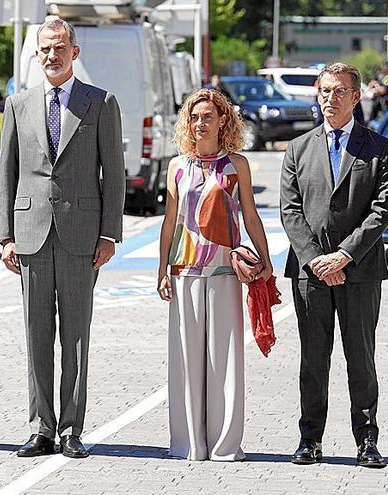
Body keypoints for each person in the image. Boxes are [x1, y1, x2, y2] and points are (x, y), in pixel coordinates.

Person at [0, 16, 124, 459]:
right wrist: (5, 236)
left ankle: (71, 429)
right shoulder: (18, 105)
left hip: (81, 236)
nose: (52, 55)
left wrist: (109, 233)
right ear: (37, 54)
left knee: (76, 337)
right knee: (36, 334)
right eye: (45, 49)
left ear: (75, 52)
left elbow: (114, 174)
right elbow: (6, 172)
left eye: (59, 48)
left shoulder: (100, 102)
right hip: (30, 235)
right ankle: (41, 427)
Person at [281, 63, 388, 469]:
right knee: (314, 359)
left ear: (355, 96)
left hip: (359, 271)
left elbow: (381, 211)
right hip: (310, 274)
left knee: (360, 357)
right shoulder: (297, 148)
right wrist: (316, 260)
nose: (331, 98)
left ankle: (367, 441)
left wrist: (344, 255)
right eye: (325, 91)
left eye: (340, 91)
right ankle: (309, 439)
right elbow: (290, 211)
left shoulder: (379, 148)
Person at [156, 88, 272, 461]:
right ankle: (189, 444)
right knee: (187, 360)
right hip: (185, 270)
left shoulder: (237, 165)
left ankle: (225, 445)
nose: (200, 123)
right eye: (194, 117)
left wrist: (265, 260)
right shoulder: (177, 166)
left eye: (207, 116)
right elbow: (171, 221)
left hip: (225, 270)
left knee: (225, 359)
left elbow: (250, 215)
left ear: (223, 120)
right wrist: (162, 270)